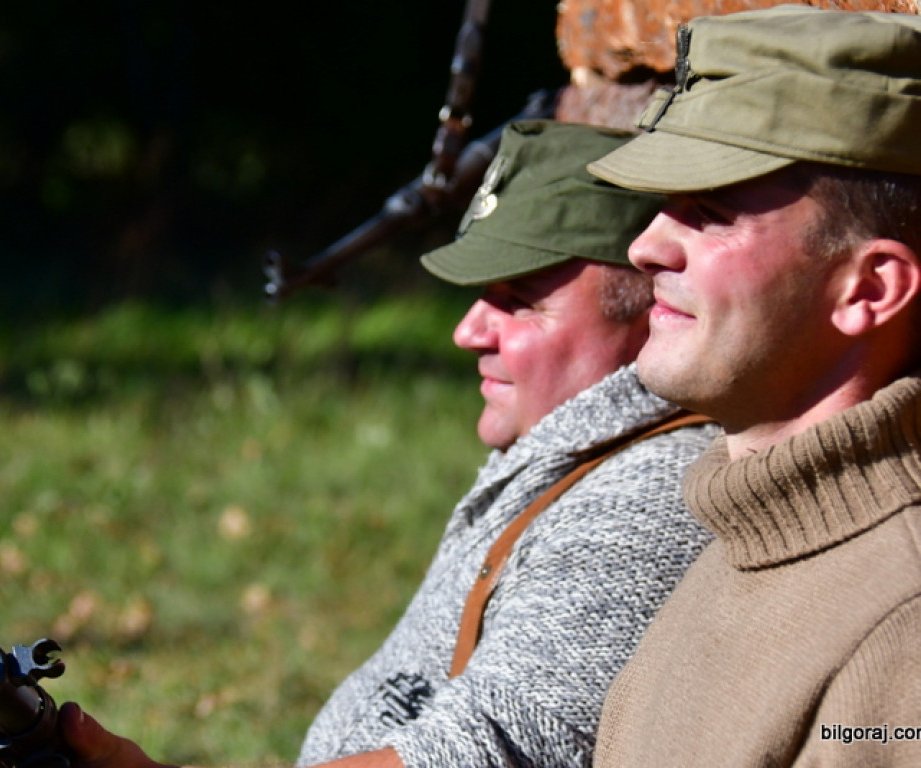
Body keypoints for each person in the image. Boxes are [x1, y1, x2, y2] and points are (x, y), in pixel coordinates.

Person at [59, 120, 717, 768]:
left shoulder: (646, 499)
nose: (467, 332)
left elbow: (490, 754)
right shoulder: (570, 452)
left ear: (653, 315)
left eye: (518, 301)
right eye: (481, 297)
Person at [583, 6, 921, 767]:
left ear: (869, 289)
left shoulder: (903, 632)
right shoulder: (748, 538)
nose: (645, 247)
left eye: (711, 212)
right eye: (662, 208)